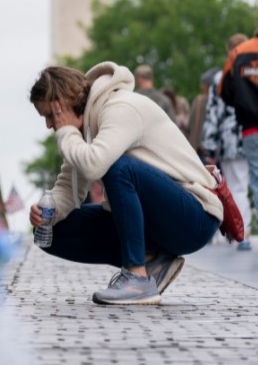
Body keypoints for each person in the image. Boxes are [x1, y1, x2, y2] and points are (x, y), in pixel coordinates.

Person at [28, 64, 221, 305]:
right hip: (161, 223)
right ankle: (152, 260)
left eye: (49, 115)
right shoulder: (85, 130)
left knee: (119, 168)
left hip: (194, 217)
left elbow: (94, 165)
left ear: (62, 105)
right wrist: (49, 212)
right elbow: (68, 187)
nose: (48, 125)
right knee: (49, 233)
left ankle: (136, 277)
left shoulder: (120, 108)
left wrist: (66, 132)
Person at [204, 34, 250, 249]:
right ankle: (246, 231)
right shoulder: (252, 68)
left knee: (236, 186)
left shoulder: (220, 77)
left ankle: (242, 234)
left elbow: (213, 114)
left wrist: (209, 145)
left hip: (231, 139)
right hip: (252, 130)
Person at [220, 25, 258, 249]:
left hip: (251, 127)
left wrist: (243, 103)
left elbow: (224, 89)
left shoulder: (238, 53)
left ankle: (244, 237)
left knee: (254, 180)